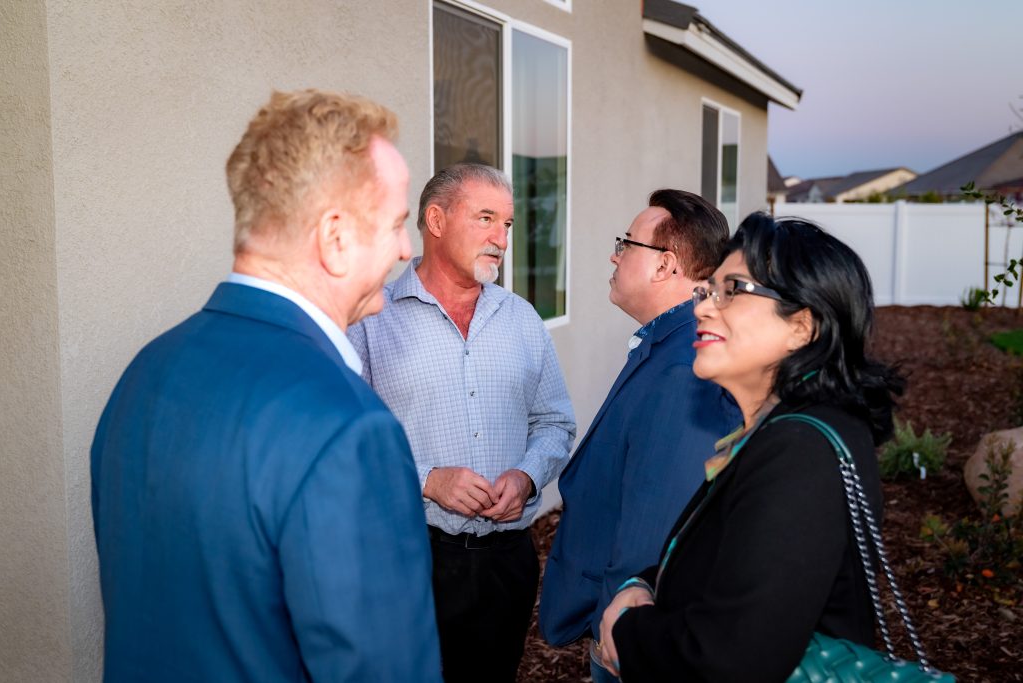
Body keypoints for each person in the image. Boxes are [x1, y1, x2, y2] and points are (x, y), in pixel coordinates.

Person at [90, 89, 442, 682]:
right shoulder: (349, 428)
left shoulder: (144, 373)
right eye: (397, 224)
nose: (407, 249)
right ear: (335, 238)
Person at [597, 213, 904, 682]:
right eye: (707, 290)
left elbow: (729, 659)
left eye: (733, 290)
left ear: (803, 326)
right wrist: (644, 582)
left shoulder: (800, 452)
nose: (702, 307)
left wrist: (628, 629)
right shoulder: (777, 433)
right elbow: (730, 560)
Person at [349, 163, 576, 683]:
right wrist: (428, 479)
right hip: (412, 556)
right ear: (435, 219)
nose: (501, 238)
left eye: (509, 225)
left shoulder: (522, 319)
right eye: (486, 219)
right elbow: (347, 442)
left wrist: (526, 476)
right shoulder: (371, 320)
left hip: (507, 562)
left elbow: (555, 422)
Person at [538, 190, 741, 678]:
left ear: (665, 265)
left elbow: (656, 527)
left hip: (630, 638)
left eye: (626, 243)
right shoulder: (668, 344)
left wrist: (622, 628)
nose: (614, 254)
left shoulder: (683, 368)